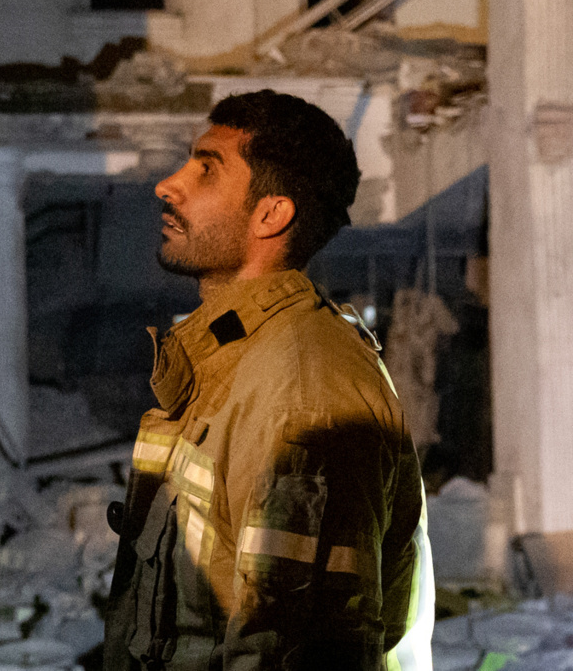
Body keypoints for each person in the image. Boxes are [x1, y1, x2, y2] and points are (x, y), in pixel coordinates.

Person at [103, 91, 433, 671]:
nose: (167, 185)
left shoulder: (302, 384)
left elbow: (297, 651)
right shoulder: (233, 360)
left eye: (207, 169)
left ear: (271, 215)